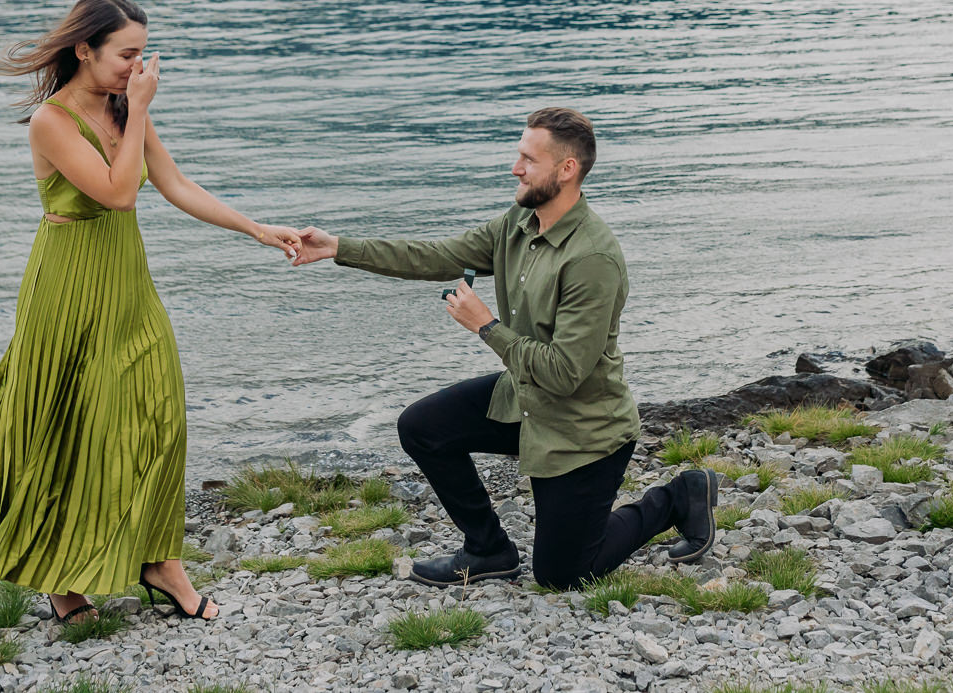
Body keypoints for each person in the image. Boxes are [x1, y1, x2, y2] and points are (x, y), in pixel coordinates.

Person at [0, 0, 303, 623]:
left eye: (142, 56)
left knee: (159, 409)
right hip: (69, 281)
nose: (136, 69)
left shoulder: (124, 107)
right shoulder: (52, 121)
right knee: (71, 419)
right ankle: (62, 579)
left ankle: (158, 560)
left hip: (126, 278)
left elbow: (172, 184)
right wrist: (138, 110)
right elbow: (118, 192)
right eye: (126, 55)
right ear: (84, 50)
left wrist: (256, 229)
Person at [290, 107, 718, 589]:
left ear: (566, 169)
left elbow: (563, 374)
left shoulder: (592, 258)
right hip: (526, 402)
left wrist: (486, 326)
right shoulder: (518, 223)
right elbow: (436, 255)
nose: (515, 168)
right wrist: (338, 247)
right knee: (423, 427)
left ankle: (677, 498)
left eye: (528, 160)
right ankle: (488, 549)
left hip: (583, 431)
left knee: (563, 575)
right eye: (519, 155)